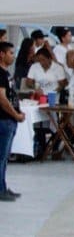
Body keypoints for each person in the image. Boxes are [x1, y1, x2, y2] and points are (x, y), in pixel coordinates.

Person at [0, 41, 26, 200]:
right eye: (10, 53)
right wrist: (15, 114)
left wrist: (18, 111)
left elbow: (11, 96)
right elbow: (2, 99)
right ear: (2, 54)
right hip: (4, 120)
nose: (13, 56)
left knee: (4, 157)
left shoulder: (7, 74)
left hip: (10, 120)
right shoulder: (0, 75)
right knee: (1, 156)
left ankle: (3, 186)